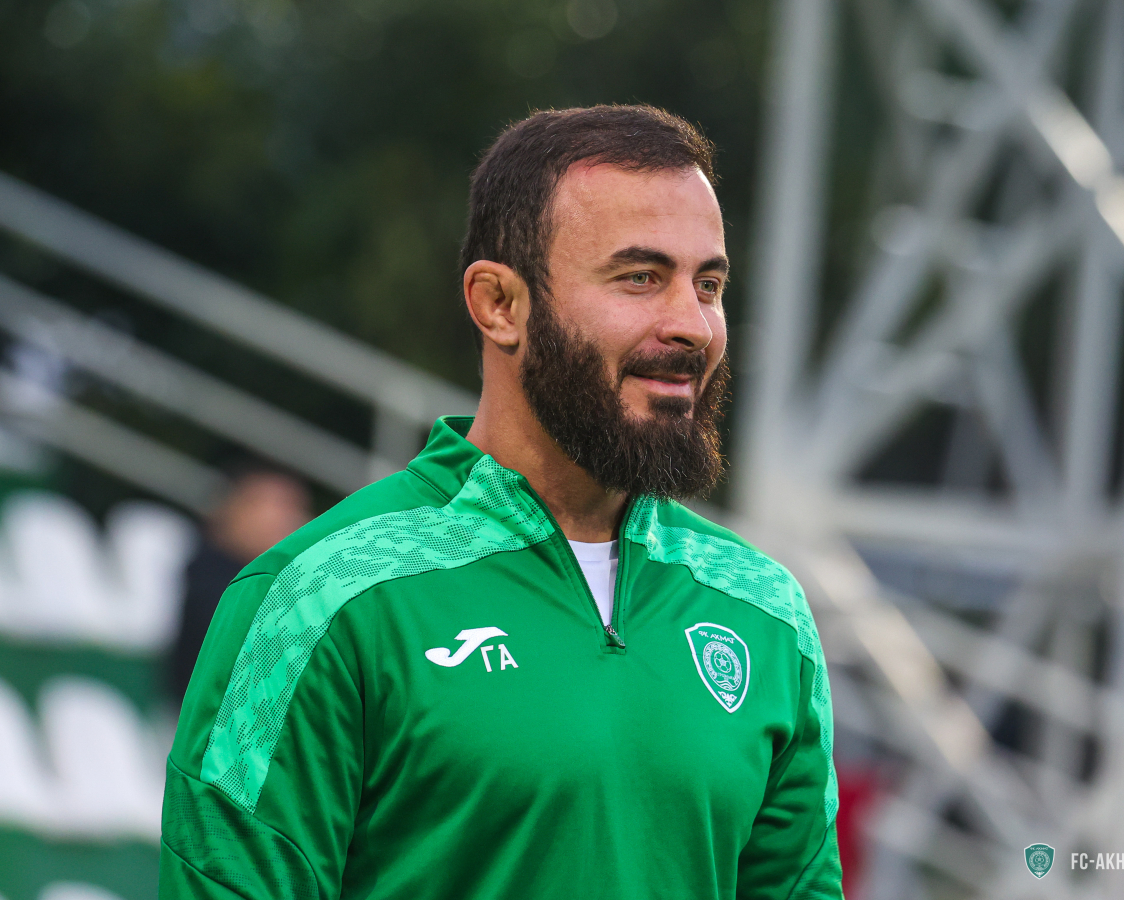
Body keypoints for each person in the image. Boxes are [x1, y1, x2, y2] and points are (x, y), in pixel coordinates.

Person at [159, 104, 842, 900]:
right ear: (499, 304)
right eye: (640, 278)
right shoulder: (317, 599)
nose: (693, 324)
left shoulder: (765, 610)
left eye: (710, 284)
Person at [167, 464, 311, 702]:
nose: (290, 519)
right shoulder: (206, 578)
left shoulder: (286, 583)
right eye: (273, 505)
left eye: (295, 507)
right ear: (233, 508)